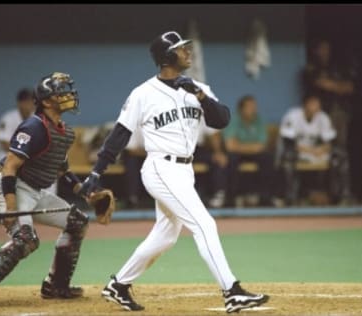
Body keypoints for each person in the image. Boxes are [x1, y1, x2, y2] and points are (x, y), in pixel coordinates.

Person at [78, 31, 269, 313]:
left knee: (166, 235)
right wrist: (96, 172)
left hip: (184, 170)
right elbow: (119, 135)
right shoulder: (143, 93)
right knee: (204, 225)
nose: (188, 53)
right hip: (160, 168)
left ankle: (118, 285)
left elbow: (221, 120)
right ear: (168, 56)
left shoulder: (197, 87)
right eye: (182, 49)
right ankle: (232, 292)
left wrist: (200, 95)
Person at [0, 72, 90, 307]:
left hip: (34, 191)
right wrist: (11, 208)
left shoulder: (65, 131)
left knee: (77, 222)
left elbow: (63, 170)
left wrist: (87, 192)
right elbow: (10, 166)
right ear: (47, 100)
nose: (69, 95)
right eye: (62, 92)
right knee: (25, 239)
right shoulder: (34, 126)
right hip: (11, 186)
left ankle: (56, 285)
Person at [279, 94, 350, 205]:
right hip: (300, 152)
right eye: (312, 104)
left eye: (317, 104)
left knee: (340, 156)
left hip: (318, 153)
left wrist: (322, 150)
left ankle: (340, 196)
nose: (315, 107)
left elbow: (331, 141)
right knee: (288, 157)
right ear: (305, 105)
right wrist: (310, 151)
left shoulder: (323, 117)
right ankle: (290, 198)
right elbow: (289, 142)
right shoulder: (293, 116)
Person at [223, 95, 275, 207]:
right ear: (241, 109)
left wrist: (240, 146)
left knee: (268, 158)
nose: (254, 109)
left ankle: (265, 198)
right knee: (231, 159)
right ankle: (230, 199)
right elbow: (230, 146)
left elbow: (262, 146)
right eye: (250, 107)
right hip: (237, 154)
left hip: (254, 154)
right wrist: (251, 147)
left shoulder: (259, 120)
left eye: (254, 106)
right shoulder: (233, 120)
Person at [0, 88, 36, 165]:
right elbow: (5, 144)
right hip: (5, 153)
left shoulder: (35, 118)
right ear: (20, 103)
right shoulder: (7, 118)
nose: (32, 105)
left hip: (27, 155)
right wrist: (23, 155)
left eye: (33, 102)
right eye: (28, 102)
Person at [194, 120, 228, 208]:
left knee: (217, 159)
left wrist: (218, 152)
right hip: (174, 148)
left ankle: (217, 194)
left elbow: (213, 134)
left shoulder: (198, 109)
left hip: (196, 149)